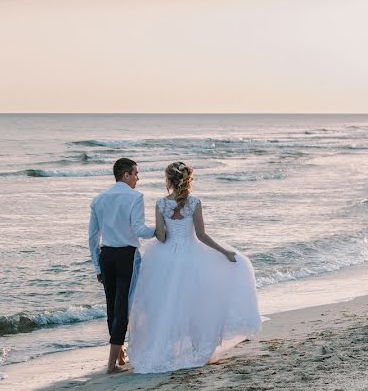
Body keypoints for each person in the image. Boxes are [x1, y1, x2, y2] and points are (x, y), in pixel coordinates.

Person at [127, 161, 261, 373]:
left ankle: (168, 350)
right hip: (192, 256)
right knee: (194, 303)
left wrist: (152, 230)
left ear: (169, 181)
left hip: (166, 259)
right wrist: (224, 252)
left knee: (168, 305)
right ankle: (198, 349)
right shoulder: (194, 203)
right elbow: (201, 235)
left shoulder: (161, 204)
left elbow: (161, 237)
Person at [88, 158, 155, 373]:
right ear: (125, 175)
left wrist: (97, 267)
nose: (137, 178)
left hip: (106, 256)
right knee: (123, 308)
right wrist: (162, 229)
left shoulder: (99, 199)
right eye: (135, 173)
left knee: (111, 306)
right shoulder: (135, 197)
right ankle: (111, 365)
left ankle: (119, 356)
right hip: (127, 256)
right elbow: (139, 229)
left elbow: (92, 238)